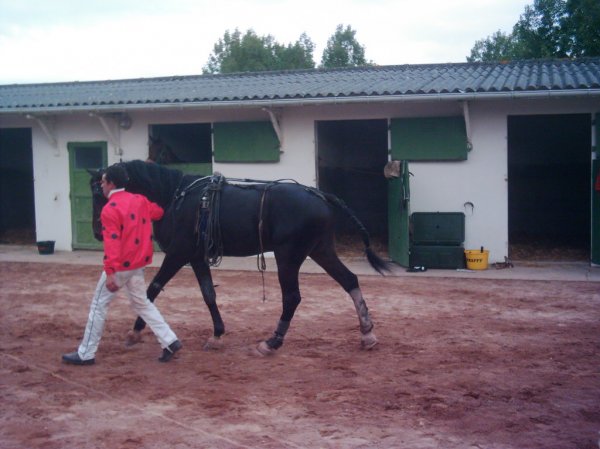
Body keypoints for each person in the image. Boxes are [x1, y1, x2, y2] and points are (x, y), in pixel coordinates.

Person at [62, 164, 182, 365]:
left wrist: (110, 272)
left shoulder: (109, 210)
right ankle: (169, 340)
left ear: (111, 183)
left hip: (120, 268)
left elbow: (112, 244)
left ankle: (86, 353)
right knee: (142, 304)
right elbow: (159, 213)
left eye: (103, 181)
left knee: (98, 306)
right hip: (138, 265)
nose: (101, 185)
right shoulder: (140, 200)